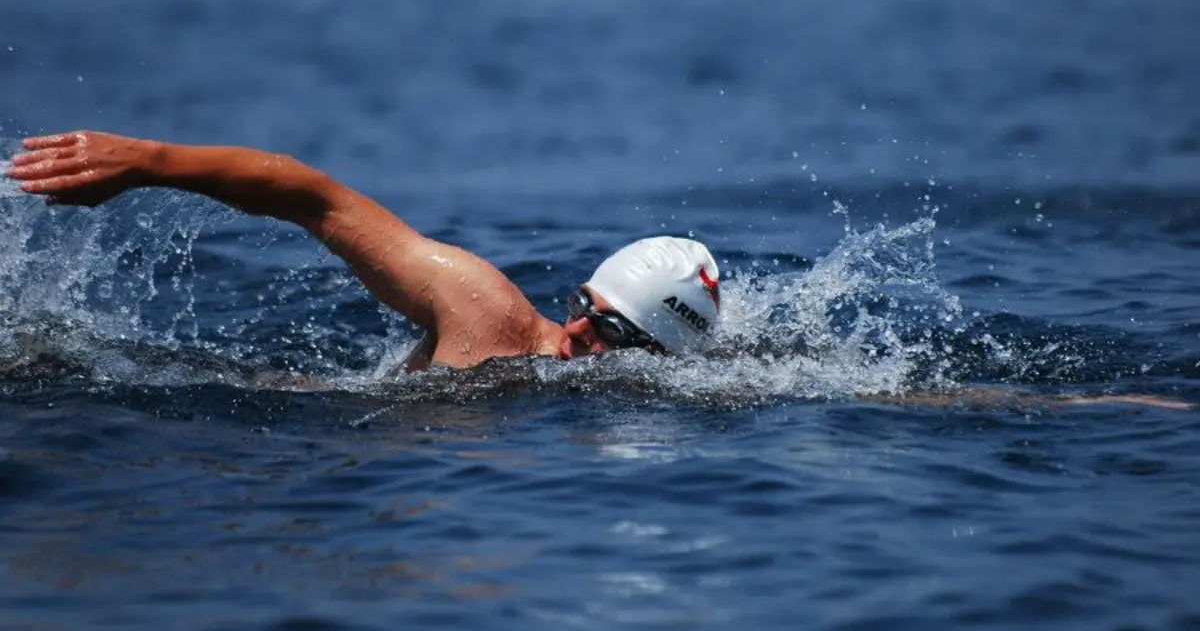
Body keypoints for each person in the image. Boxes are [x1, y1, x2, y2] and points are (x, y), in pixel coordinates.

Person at [4, 131, 721, 371]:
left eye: (608, 330)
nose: (576, 332)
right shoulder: (483, 307)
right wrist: (150, 161)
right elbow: (318, 198)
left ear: (654, 355)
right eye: (581, 306)